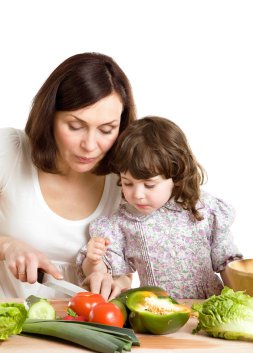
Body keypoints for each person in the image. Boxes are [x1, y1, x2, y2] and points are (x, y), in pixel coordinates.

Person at [0, 52, 136, 300]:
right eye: (75, 126)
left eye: (107, 130)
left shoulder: (128, 181)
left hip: (85, 332)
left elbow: (131, 261)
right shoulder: (10, 151)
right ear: (49, 116)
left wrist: (116, 279)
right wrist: (7, 246)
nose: (90, 145)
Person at [77, 116, 242, 299]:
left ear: (176, 177)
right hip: (156, 312)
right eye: (128, 183)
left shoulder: (205, 209)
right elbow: (110, 276)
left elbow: (228, 264)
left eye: (149, 185)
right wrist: (93, 261)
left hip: (208, 308)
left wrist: (241, 303)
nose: (137, 194)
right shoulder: (122, 222)